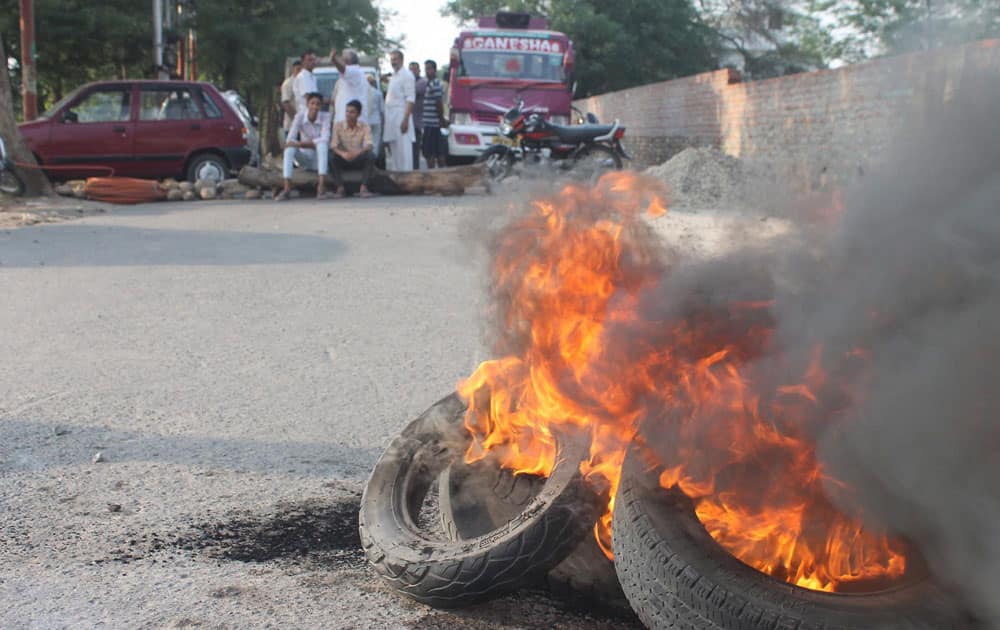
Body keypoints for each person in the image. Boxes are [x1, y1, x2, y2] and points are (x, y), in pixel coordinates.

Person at [276, 92, 331, 201]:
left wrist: (301, 144)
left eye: (318, 104)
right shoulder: (300, 116)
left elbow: (325, 138)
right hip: (304, 159)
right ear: (307, 104)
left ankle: (321, 187)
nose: (315, 107)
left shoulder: (325, 117)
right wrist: (308, 144)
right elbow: (290, 139)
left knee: (322, 145)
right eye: (312, 103)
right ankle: (287, 188)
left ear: (321, 106)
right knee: (289, 148)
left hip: (319, 161)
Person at [329, 99, 376, 198]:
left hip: (357, 158)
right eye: (347, 111)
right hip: (343, 158)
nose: (348, 114)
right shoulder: (338, 125)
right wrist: (343, 154)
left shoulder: (364, 126)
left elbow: (369, 144)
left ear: (358, 114)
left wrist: (356, 153)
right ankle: (340, 188)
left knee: (371, 155)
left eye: (352, 112)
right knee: (331, 156)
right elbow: (333, 145)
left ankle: (364, 188)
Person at [383, 50, 415, 171]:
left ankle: (407, 181)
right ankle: (397, 182)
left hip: (401, 116)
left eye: (395, 59)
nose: (393, 62)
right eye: (391, 60)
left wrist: (405, 119)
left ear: (402, 60)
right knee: (394, 151)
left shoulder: (407, 75)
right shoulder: (394, 76)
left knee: (404, 152)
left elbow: (410, 99)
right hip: (391, 118)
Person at [420, 59, 448, 169]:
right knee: (434, 152)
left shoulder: (435, 84)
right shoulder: (428, 83)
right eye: (426, 69)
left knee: (431, 153)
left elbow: (438, 103)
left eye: (429, 69)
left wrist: (441, 119)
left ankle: (435, 176)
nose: (427, 71)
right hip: (428, 124)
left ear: (435, 70)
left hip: (433, 125)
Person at [330, 48, 368, 124]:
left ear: (347, 61)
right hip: (345, 121)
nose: (341, 60)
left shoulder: (355, 72)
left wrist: (334, 59)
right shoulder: (350, 75)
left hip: (351, 122)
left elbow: (344, 69)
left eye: (342, 58)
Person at [279, 59, 301, 145]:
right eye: (298, 69)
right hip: (291, 125)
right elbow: (286, 103)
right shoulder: (288, 84)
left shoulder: (303, 83)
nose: (299, 72)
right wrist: (297, 120)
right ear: (293, 69)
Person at [410, 61, 427, 170]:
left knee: (415, 150)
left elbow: (411, 92)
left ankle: (415, 172)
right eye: (410, 69)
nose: (412, 71)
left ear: (419, 70)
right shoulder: (410, 82)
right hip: (408, 122)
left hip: (416, 123)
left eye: (414, 69)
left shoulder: (422, 82)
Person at [292, 50, 318, 114]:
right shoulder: (302, 77)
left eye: (314, 60)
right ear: (303, 62)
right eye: (309, 60)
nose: (312, 62)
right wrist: (326, 101)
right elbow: (309, 96)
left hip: (312, 114)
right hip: (304, 114)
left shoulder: (313, 77)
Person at [366, 73, 384, 160]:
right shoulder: (378, 93)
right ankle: (373, 161)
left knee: (366, 142)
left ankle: (368, 161)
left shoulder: (362, 93)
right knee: (375, 142)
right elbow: (382, 110)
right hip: (376, 121)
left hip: (366, 121)